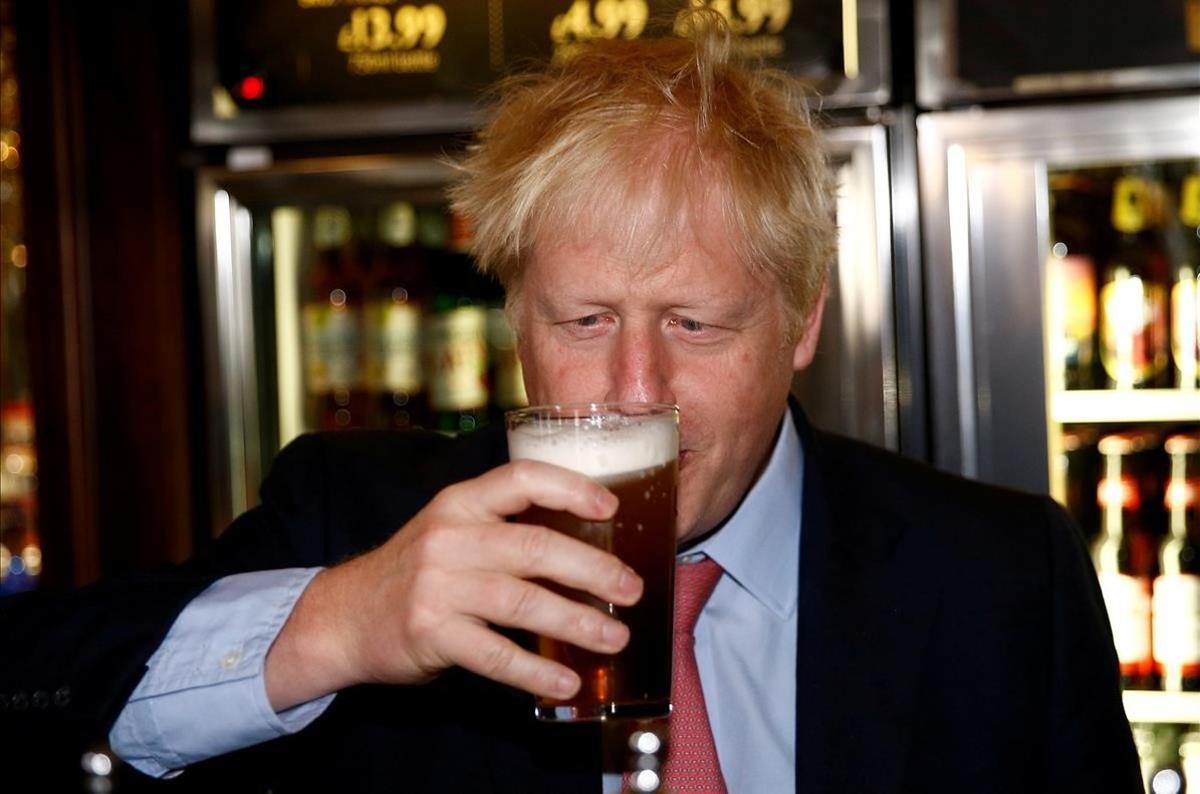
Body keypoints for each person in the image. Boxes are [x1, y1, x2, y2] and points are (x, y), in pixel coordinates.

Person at [1, 12, 1140, 793]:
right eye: (583, 321)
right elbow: (36, 690)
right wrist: (344, 621)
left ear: (802, 320)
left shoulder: (1003, 577)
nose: (636, 392)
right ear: (512, 322)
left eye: (696, 324)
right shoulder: (362, 518)